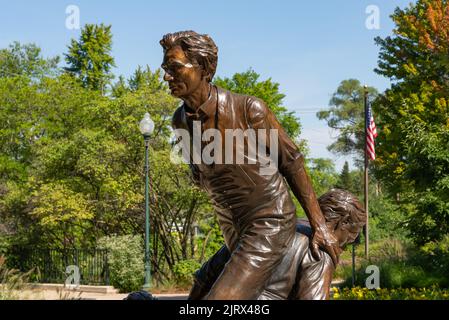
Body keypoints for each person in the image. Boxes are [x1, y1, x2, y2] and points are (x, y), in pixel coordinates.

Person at [160, 30, 340, 300]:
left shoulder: (248, 110)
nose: (166, 76)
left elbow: (291, 161)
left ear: (205, 68)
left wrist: (320, 226)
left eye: (175, 68)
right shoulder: (179, 121)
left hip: (270, 221)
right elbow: (198, 174)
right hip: (231, 228)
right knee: (198, 293)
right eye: (165, 68)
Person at [188, 189, 366, 300]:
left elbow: (204, 277)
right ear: (342, 223)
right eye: (351, 235)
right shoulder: (320, 250)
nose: (346, 244)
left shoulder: (265, 227)